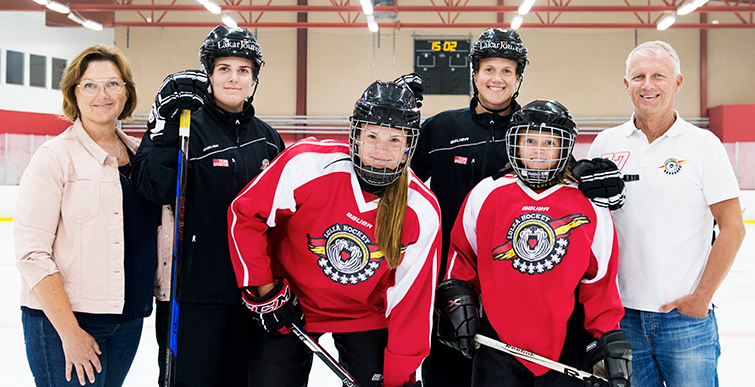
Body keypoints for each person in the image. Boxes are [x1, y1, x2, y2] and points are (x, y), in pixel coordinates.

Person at [409, 28, 626, 387]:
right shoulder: (441, 128)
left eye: (507, 70)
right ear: (475, 73)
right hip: (452, 290)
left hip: (518, 298)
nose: (498, 78)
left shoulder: (535, 130)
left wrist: (595, 176)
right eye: (489, 69)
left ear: (519, 77)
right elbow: (398, 187)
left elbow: (564, 184)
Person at [227, 80, 441, 387]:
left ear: (409, 145)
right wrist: (265, 291)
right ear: (355, 136)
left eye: (395, 140)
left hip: (365, 315)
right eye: (372, 136)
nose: (381, 151)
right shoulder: (310, 164)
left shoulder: (421, 209)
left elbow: (413, 302)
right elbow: (245, 214)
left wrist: (398, 378)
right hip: (291, 301)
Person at [435, 100, 632, 387]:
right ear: (514, 144)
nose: (538, 151)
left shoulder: (588, 204)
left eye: (549, 142)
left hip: (565, 346)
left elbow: (599, 280)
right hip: (496, 345)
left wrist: (605, 335)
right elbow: (462, 256)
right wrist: (457, 297)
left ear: (564, 149)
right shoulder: (486, 193)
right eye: (529, 141)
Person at [131, 25, 285, 386]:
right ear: (209, 74)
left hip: (251, 294)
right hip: (193, 293)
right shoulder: (186, 127)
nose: (234, 78)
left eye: (243, 70)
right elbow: (152, 187)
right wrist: (162, 129)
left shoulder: (268, 140)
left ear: (254, 79)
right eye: (224, 69)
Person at [587, 40, 746, 386]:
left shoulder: (704, 146)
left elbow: (733, 228)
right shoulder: (605, 144)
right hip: (621, 318)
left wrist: (701, 298)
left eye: (658, 75)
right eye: (639, 76)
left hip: (685, 319)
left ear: (677, 82)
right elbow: (589, 228)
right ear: (626, 85)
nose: (648, 85)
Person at [15, 45, 161, 386]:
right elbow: (32, 254)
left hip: (127, 318)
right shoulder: (54, 158)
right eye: (90, 85)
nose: (103, 94)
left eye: (113, 83)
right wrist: (70, 333)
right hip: (68, 322)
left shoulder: (140, 157)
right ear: (73, 93)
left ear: (127, 91)